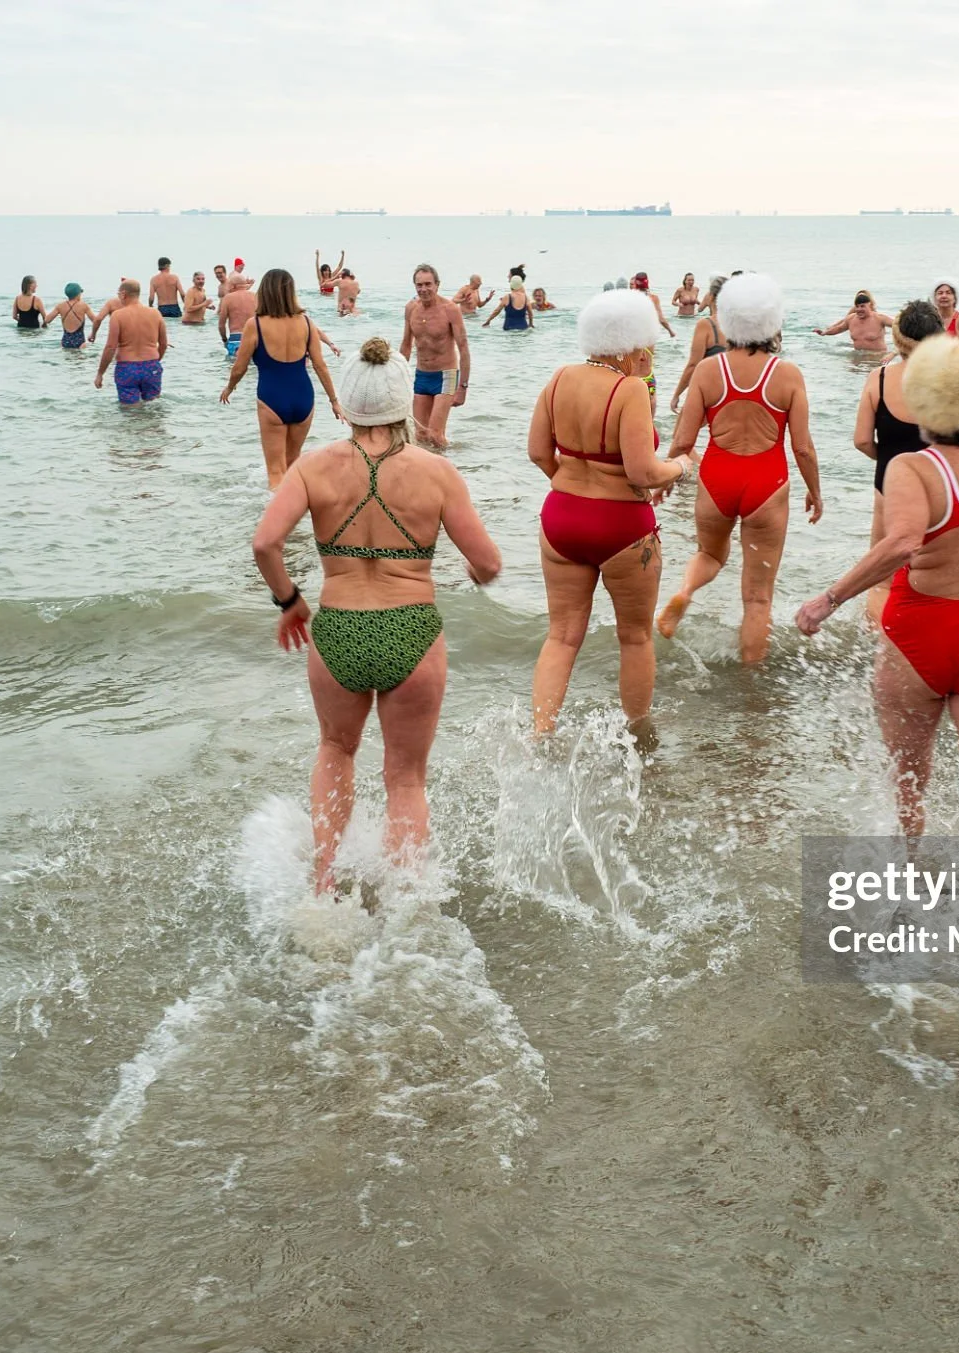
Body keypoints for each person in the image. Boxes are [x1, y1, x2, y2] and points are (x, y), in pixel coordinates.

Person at [795, 338, 959, 976]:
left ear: (926, 403)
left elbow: (904, 541)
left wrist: (827, 600)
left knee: (910, 785)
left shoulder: (912, 468)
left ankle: (907, 901)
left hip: (916, 642)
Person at [250, 336, 503, 894]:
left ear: (348, 402)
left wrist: (290, 602)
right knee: (406, 778)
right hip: (411, 629)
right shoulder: (436, 472)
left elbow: (265, 543)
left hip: (337, 630)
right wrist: (473, 577)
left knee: (336, 749)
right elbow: (487, 562)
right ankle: (407, 898)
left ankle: (324, 881)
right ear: (400, 399)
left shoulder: (313, 469)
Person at [528, 289, 694, 737]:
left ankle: (540, 736)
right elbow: (642, 471)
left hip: (561, 518)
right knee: (635, 638)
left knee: (561, 636)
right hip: (622, 528)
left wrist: (573, 484)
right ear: (633, 343)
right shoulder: (630, 390)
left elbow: (538, 452)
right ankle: (639, 739)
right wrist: (680, 466)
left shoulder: (559, 378)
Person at [658, 273, 821, 663]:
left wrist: (665, 475)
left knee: (709, 555)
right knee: (757, 598)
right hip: (767, 484)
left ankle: (685, 592)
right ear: (771, 321)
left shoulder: (708, 371)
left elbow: (683, 440)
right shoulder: (787, 374)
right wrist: (816, 492)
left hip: (717, 478)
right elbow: (802, 447)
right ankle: (752, 693)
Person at [852, 299, 947, 617]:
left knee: (881, 581)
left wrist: (888, 459)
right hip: (940, 487)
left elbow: (862, 440)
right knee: (935, 576)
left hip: (889, 484)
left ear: (897, 337)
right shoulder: (950, 381)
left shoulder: (879, 379)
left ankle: (875, 652)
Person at [221, 269, 343, 487]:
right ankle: (297, 515)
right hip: (304, 398)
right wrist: (334, 401)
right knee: (293, 464)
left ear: (264, 292)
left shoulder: (255, 324)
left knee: (275, 472)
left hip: (271, 399)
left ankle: (277, 518)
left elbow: (239, 367)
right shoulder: (306, 323)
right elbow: (320, 366)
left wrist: (230, 387)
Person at [398, 264, 470, 450]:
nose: (423, 289)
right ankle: (425, 474)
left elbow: (463, 349)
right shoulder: (411, 308)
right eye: (419, 285)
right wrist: (397, 376)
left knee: (435, 435)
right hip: (422, 375)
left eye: (428, 284)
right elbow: (406, 345)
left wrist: (463, 387)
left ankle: (448, 469)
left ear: (437, 285)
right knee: (420, 435)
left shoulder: (450, 309)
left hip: (446, 375)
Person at [93, 280, 167, 406]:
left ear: (123, 294)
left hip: (127, 368)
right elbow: (163, 344)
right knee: (153, 408)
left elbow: (111, 347)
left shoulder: (117, 316)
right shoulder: (155, 313)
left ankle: (132, 426)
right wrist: (154, 363)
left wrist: (100, 373)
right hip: (151, 366)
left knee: (129, 411)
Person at [668, 274, 730, 413]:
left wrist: (677, 395)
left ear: (711, 297)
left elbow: (693, 365)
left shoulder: (707, 325)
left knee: (682, 431)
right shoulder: (740, 325)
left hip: (712, 390)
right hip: (735, 391)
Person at [813, 291, 895, 353]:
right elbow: (839, 328)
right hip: (857, 357)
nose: (859, 309)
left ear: (869, 305)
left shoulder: (880, 318)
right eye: (857, 307)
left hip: (877, 357)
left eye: (862, 306)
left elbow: (898, 325)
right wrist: (824, 333)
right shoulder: (851, 319)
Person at [218, 272, 258, 358]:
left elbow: (221, 325)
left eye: (229, 285)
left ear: (233, 285)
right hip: (253, 337)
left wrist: (225, 340)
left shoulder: (228, 298)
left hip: (236, 339)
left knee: (234, 366)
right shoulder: (254, 296)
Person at [630, 272, 676, 338]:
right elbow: (661, 319)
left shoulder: (629, 297)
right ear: (647, 282)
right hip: (646, 335)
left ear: (635, 284)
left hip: (632, 334)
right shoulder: (653, 298)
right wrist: (670, 331)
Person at [49, 284, 91, 350]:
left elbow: (47, 320)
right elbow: (96, 320)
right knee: (80, 359)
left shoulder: (60, 306)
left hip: (65, 341)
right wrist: (93, 333)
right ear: (78, 294)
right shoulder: (83, 306)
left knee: (67, 359)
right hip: (80, 342)